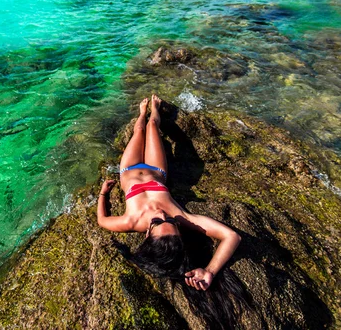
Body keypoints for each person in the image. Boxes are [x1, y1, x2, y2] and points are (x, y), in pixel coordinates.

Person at [97, 95, 246, 328]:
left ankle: (143, 111)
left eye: (159, 221)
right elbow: (232, 236)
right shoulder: (182, 218)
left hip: (128, 170)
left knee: (139, 130)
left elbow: (102, 220)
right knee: (152, 125)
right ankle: (151, 109)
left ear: (147, 233)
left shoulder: (131, 221)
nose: (163, 214)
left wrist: (103, 194)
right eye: (171, 222)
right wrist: (209, 271)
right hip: (157, 169)